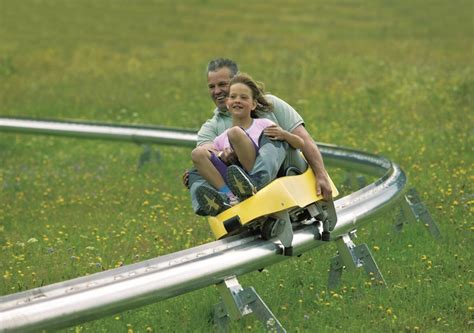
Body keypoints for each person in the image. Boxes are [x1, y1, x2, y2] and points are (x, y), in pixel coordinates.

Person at [186, 58, 332, 216]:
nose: (216, 91)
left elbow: (304, 140)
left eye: (222, 84)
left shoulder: (270, 106)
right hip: (242, 180)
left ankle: (257, 181)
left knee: (271, 135)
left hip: (286, 169)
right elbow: (208, 152)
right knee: (195, 173)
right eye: (211, 87)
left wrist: (321, 175)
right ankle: (218, 202)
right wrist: (223, 155)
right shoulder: (211, 127)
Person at [192, 73, 304, 216]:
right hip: (234, 181)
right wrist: (222, 156)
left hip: (260, 175)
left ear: (253, 104)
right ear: (227, 103)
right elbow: (212, 157)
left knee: (235, 133)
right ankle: (227, 197)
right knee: (198, 153)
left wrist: (284, 135)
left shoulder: (263, 124)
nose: (237, 101)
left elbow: (300, 143)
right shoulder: (220, 139)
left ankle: (251, 185)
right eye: (233, 97)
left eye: (243, 98)